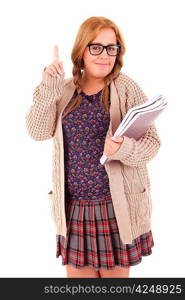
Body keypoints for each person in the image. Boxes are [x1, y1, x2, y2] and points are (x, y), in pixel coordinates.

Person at [25, 16, 161, 278]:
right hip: (73, 210)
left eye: (112, 48)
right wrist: (49, 85)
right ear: (81, 51)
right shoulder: (63, 90)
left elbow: (152, 143)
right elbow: (37, 131)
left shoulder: (126, 88)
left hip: (116, 209)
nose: (104, 55)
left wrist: (122, 149)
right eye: (96, 47)